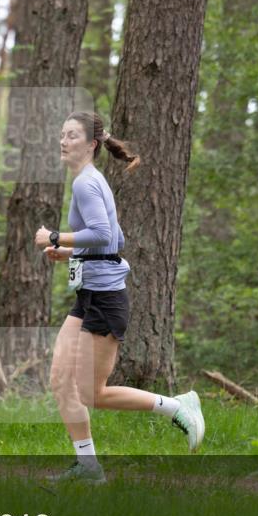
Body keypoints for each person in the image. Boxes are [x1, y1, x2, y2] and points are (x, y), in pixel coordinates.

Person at [34, 111, 205, 483]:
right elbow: (116, 239)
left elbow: (100, 233)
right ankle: (88, 467)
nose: (63, 141)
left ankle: (177, 407)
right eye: (62, 134)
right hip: (89, 296)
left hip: (105, 299)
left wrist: (54, 237)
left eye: (72, 135)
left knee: (91, 393)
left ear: (92, 144)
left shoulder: (86, 183)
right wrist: (70, 253)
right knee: (60, 380)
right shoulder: (89, 180)